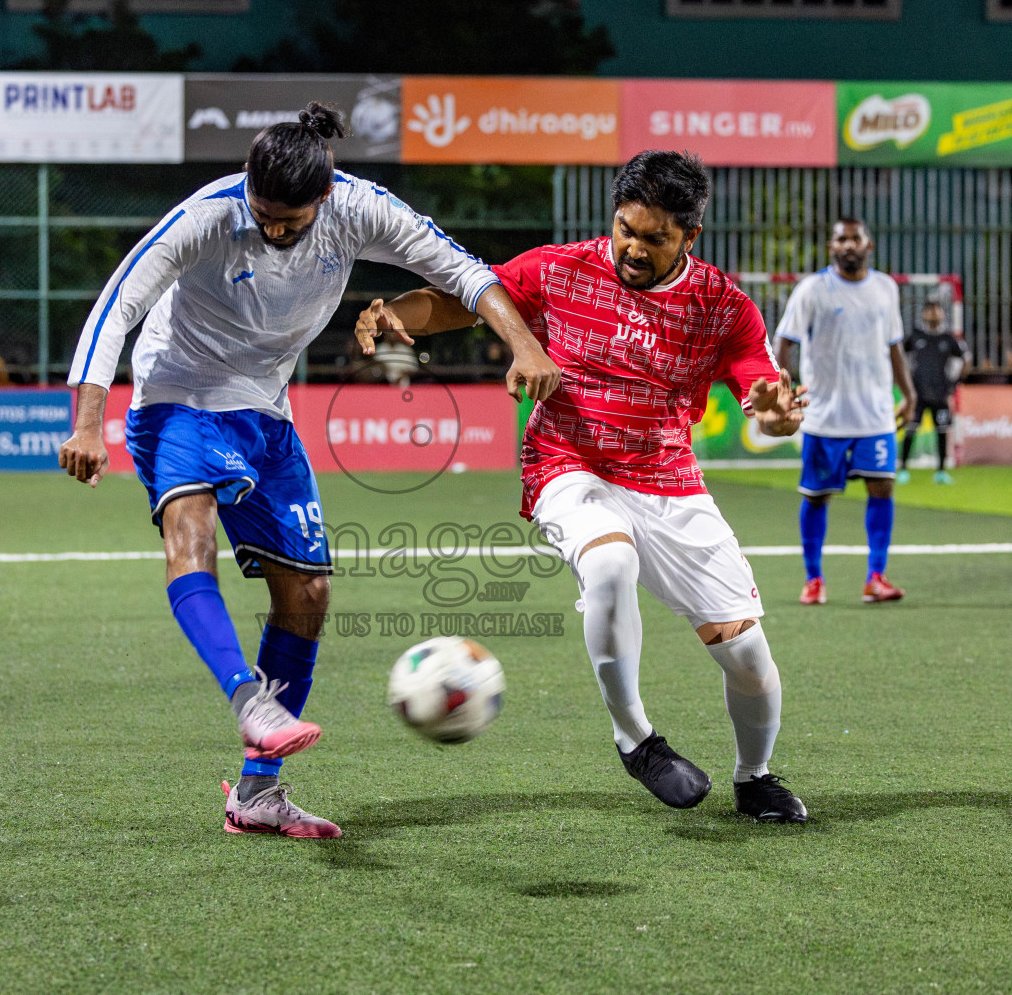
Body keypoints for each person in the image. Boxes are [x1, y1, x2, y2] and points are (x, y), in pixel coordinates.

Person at [57, 102, 561, 839]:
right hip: (179, 391)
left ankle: (259, 794)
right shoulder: (207, 215)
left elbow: (464, 271)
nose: (274, 229)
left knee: (310, 593)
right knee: (190, 535)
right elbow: (118, 302)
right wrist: (86, 423)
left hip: (266, 407)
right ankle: (247, 700)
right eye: (263, 212)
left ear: (324, 196)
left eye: (290, 219)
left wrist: (525, 345)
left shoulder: (361, 210)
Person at [356, 150, 811, 824]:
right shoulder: (561, 269)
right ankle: (637, 739)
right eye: (626, 228)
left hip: (669, 482)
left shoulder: (723, 306)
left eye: (654, 238)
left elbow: (763, 397)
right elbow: (463, 298)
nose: (633, 246)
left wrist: (774, 419)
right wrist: (396, 313)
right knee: (609, 561)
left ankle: (756, 778)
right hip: (569, 464)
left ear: (690, 238)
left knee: (746, 656)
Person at [775, 218, 917, 607]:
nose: (848, 245)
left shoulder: (885, 288)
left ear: (868, 244)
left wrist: (908, 393)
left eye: (855, 238)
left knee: (882, 487)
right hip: (825, 415)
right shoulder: (812, 289)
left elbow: (894, 346)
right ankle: (813, 579)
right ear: (831, 246)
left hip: (875, 413)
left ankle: (876, 576)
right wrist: (782, 389)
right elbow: (783, 340)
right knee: (817, 496)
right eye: (841, 238)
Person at [900, 302, 969, 485]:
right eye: (929, 310)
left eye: (936, 311)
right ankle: (903, 470)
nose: (933, 314)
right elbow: (900, 358)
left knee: (942, 430)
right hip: (918, 393)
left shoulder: (948, 339)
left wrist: (952, 384)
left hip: (940, 394)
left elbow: (965, 359)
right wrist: (906, 382)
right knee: (911, 428)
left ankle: (940, 472)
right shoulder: (915, 337)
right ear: (923, 314)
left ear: (942, 315)